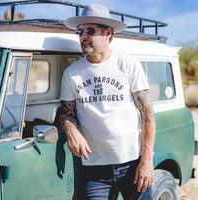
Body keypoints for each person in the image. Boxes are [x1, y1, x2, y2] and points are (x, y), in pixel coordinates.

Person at [60, 4, 156, 200]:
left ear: (107, 33)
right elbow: (65, 112)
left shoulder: (127, 64)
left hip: (133, 163)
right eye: (79, 31)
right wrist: (71, 130)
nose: (83, 36)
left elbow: (147, 114)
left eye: (89, 30)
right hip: (95, 169)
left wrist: (146, 161)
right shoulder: (72, 72)